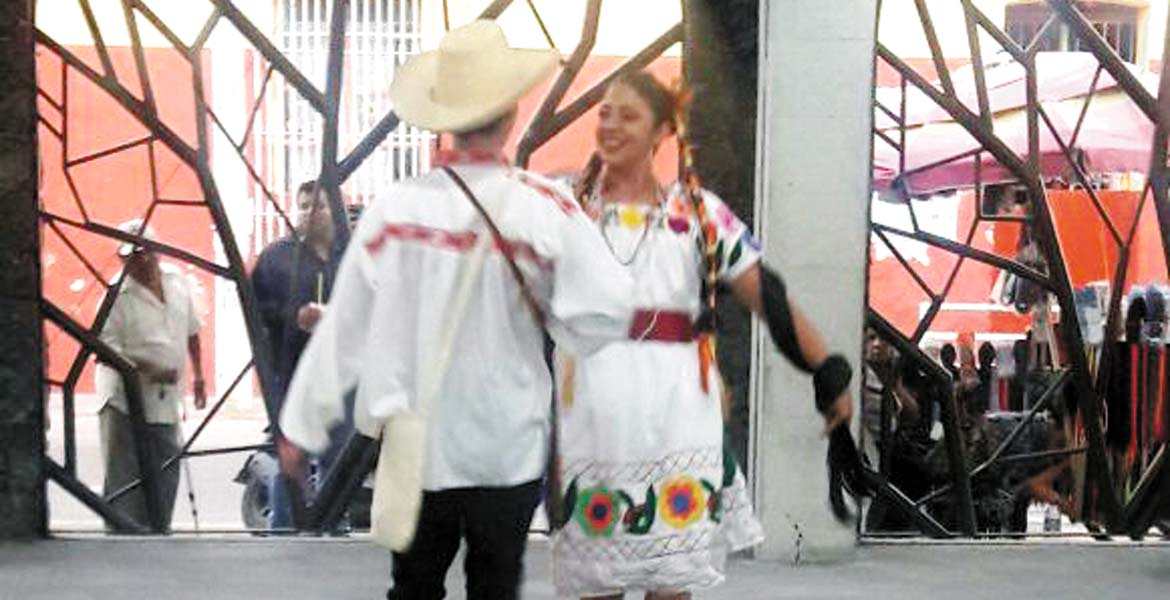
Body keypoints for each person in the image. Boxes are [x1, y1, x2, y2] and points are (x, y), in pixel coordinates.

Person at [277, 20, 636, 599]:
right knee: (495, 587)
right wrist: (557, 317)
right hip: (508, 444)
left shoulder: (396, 211)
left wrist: (301, 426)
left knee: (414, 588)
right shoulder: (546, 208)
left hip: (419, 446)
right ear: (511, 112)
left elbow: (345, 327)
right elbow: (611, 310)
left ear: (443, 116)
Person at [552, 71, 853, 599]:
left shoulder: (697, 214)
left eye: (628, 116)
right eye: (605, 113)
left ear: (662, 131)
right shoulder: (566, 210)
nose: (611, 126)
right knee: (597, 581)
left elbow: (768, 296)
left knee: (673, 578)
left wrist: (826, 371)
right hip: (596, 413)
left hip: (677, 412)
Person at [95, 219, 206, 531]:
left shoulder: (177, 281)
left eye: (145, 253)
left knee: (165, 474)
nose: (139, 261)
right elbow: (105, 351)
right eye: (131, 256)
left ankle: (158, 535)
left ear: (157, 252)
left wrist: (198, 376)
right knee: (125, 485)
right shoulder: (116, 295)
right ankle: (123, 542)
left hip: (166, 400)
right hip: (124, 403)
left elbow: (192, 331)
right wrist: (149, 368)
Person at [250, 179, 347, 530]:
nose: (309, 213)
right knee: (292, 461)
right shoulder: (276, 258)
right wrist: (294, 318)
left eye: (318, 206)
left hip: (341, 378)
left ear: (335, 210)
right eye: (303, 206)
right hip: (293, 375)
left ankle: (333, 525)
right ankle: (285, 529)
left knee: (340, 460)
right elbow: (257, 312)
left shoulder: (350, 256)